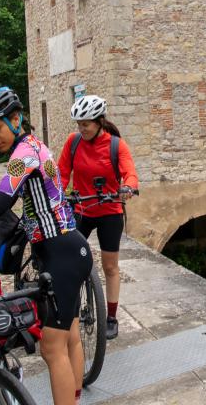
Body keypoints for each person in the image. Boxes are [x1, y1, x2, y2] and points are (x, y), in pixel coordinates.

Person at [0, 87, 90, 405]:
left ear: (16, 118)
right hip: (70, 249)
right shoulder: (35, 145)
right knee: (71, 337)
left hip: (60, 252)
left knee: (51, 348)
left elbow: (1, 202)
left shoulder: (23, 155)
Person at [58, 94, 139, 340]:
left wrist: (128, 187)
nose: (81, 129)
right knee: (68, 259)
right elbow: (62, 173)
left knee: (110, 266)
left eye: (86, 124)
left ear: (99, 122)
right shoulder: (73, 143)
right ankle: (70, 307)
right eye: (78, 124)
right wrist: (58, 196)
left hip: (109, 211)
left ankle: (111, 317)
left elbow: (130, 173)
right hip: (81, 208)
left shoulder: (116, 145)